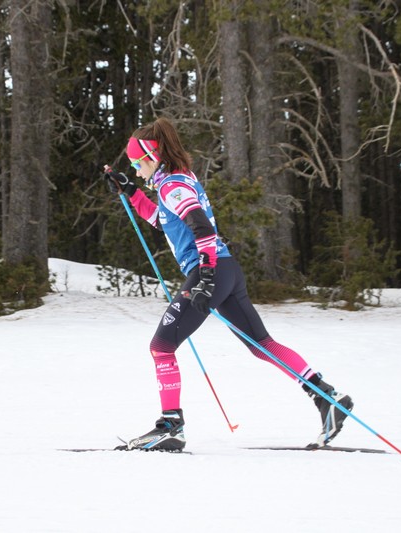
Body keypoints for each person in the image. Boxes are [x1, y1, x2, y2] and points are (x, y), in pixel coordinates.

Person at [104, 117, 353, 452]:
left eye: (136, 164)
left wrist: (205, 277)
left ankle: (170, 426)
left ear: (153, 155)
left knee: (161, 348)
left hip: (212, 271)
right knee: (261, 344)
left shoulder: (171, 186)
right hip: (226, 269)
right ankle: (327, 397)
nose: (136, 170)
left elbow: (202, 228)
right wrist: (131, 192)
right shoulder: (175, 181)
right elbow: (164, 223)